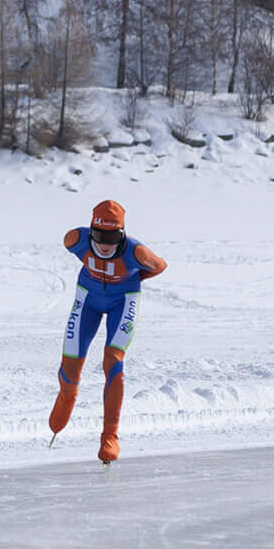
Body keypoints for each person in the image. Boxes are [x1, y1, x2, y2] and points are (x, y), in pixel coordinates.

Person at [49, 199, 166, 464]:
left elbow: (160, 266)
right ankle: (67, 395)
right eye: (100, 235)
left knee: (113, 362)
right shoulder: (75, 239)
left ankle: (110, 436)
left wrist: (134, 277)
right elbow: (69, 242)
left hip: (122, 302)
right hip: (88, 299)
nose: (105, 243)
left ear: (122, 235)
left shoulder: (136, 252)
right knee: (69, 371)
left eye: (113, 236)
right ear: (91, 231)